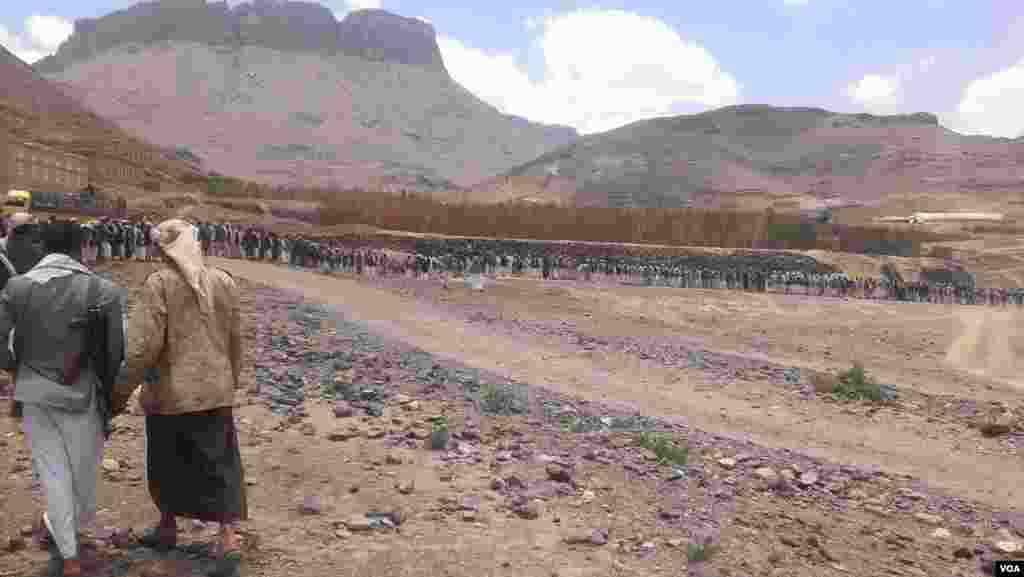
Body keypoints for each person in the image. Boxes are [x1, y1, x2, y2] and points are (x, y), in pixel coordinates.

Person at [115, 219, 247, 563]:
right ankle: (228, 536)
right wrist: (232, 378)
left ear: (163, 249)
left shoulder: (158, 285)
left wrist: (119, 391)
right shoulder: (223, 281)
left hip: (171, 394)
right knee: (220, 462)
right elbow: (235, 337)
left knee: (167, 461)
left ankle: (168, 526)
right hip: (215, 389)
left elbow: (142, 347)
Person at [0, 220, 126, 577]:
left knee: (52, 472)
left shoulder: (17, 286)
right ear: (82, 247)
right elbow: (116, 351)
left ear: (42, 247)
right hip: (83, 395)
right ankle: (70, 544)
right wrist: (110, 392)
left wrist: (16, 368)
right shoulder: (104, 291)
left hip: (34, 394)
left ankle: (68, 553)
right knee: (82, 472)